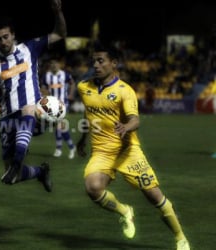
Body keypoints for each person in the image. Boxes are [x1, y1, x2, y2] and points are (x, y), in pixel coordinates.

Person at [76, 43, 190, 250]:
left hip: (128, 151)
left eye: (100, 60)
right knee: (92, 188)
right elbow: (88, 114)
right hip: (102, 151)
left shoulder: (125, 91)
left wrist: (126, 127)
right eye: (94, 60)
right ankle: (125, 211)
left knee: (155, 197)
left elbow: (135, 120)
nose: (96, 65)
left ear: (114, 63)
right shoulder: (84, 87)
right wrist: (82, 140)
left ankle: (180, 237)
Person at [0, 0, 67, 191]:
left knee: (27, 108)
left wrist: (58, 13)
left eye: (6, 37)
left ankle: (18, 161)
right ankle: (39, 172)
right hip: (7, 119)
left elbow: (60, 34)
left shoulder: (30, 48)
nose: (3, 42)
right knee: (11, 177)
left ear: (13, 35)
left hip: (33, 113)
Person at [41, 56, 76, 159]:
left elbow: (72, 83)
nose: (54, 65)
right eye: (52, 63)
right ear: (50, 65)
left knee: (59, 126)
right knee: (60, 127)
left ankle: (59, 149)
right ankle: (71, 147)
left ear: (59, 65)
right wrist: (45, 95)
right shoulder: (47, 76)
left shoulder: (65, 75)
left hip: (63, 104)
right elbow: (43, 88)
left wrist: (71, 94)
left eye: (56, 63)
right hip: (52, 105)